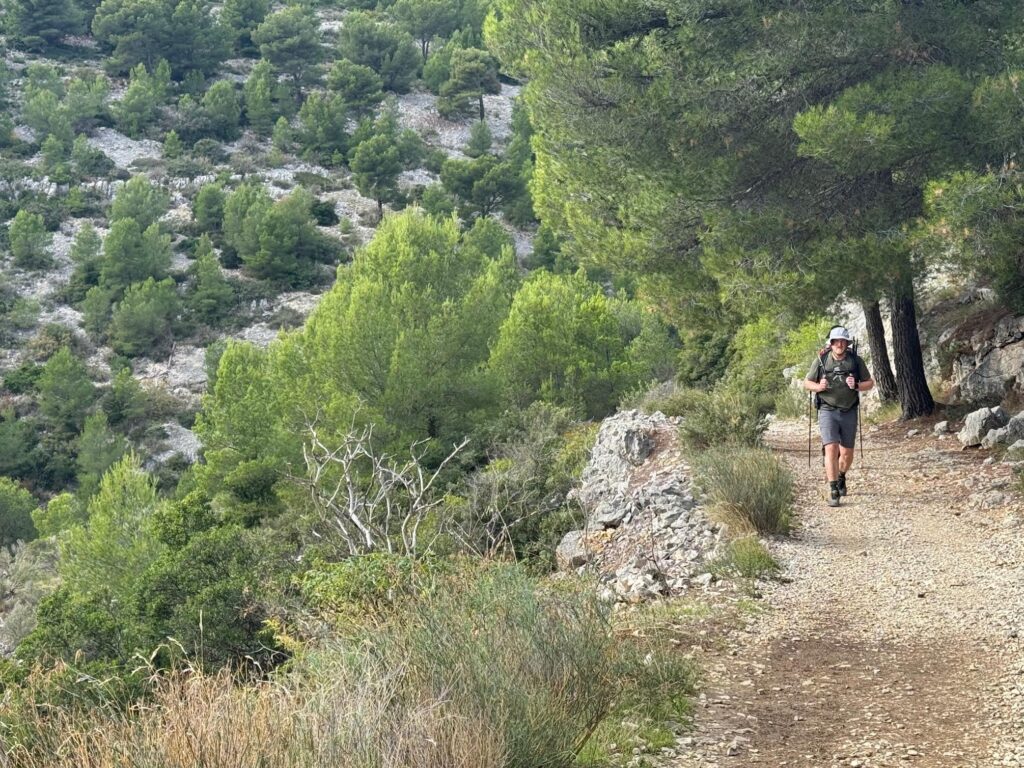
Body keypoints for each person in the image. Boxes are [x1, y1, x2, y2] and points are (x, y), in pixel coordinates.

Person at [803, 326, 874, 507]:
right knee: (831, 448)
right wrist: (819, 387)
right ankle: (834, 490)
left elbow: (870, 383)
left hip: (849, 410)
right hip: (827, 409)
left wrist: (857, 385)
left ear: (846, 343)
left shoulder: (856, 361)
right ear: (831, 343)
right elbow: (807, 382)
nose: (840, 344)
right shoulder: (821, 361)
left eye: (843, 341)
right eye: (836, 341)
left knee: (847, 453)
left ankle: (841, 476)